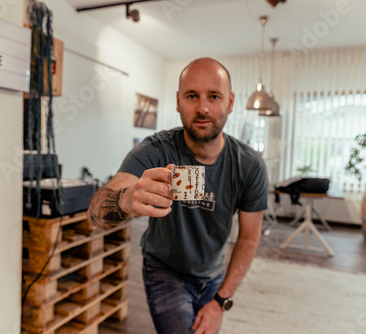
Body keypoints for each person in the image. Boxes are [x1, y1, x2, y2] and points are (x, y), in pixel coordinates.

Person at [87, 57, 268, 334]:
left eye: (214, 96)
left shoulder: (249, 165)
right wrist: (127, 200)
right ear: (177, 101)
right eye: (192, 96)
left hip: (213, 274)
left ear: (230, 103)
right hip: (164, 269)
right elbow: (96, 214)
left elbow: (249, 237)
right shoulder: (155, 151)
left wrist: (220, 302)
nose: (203, 108)